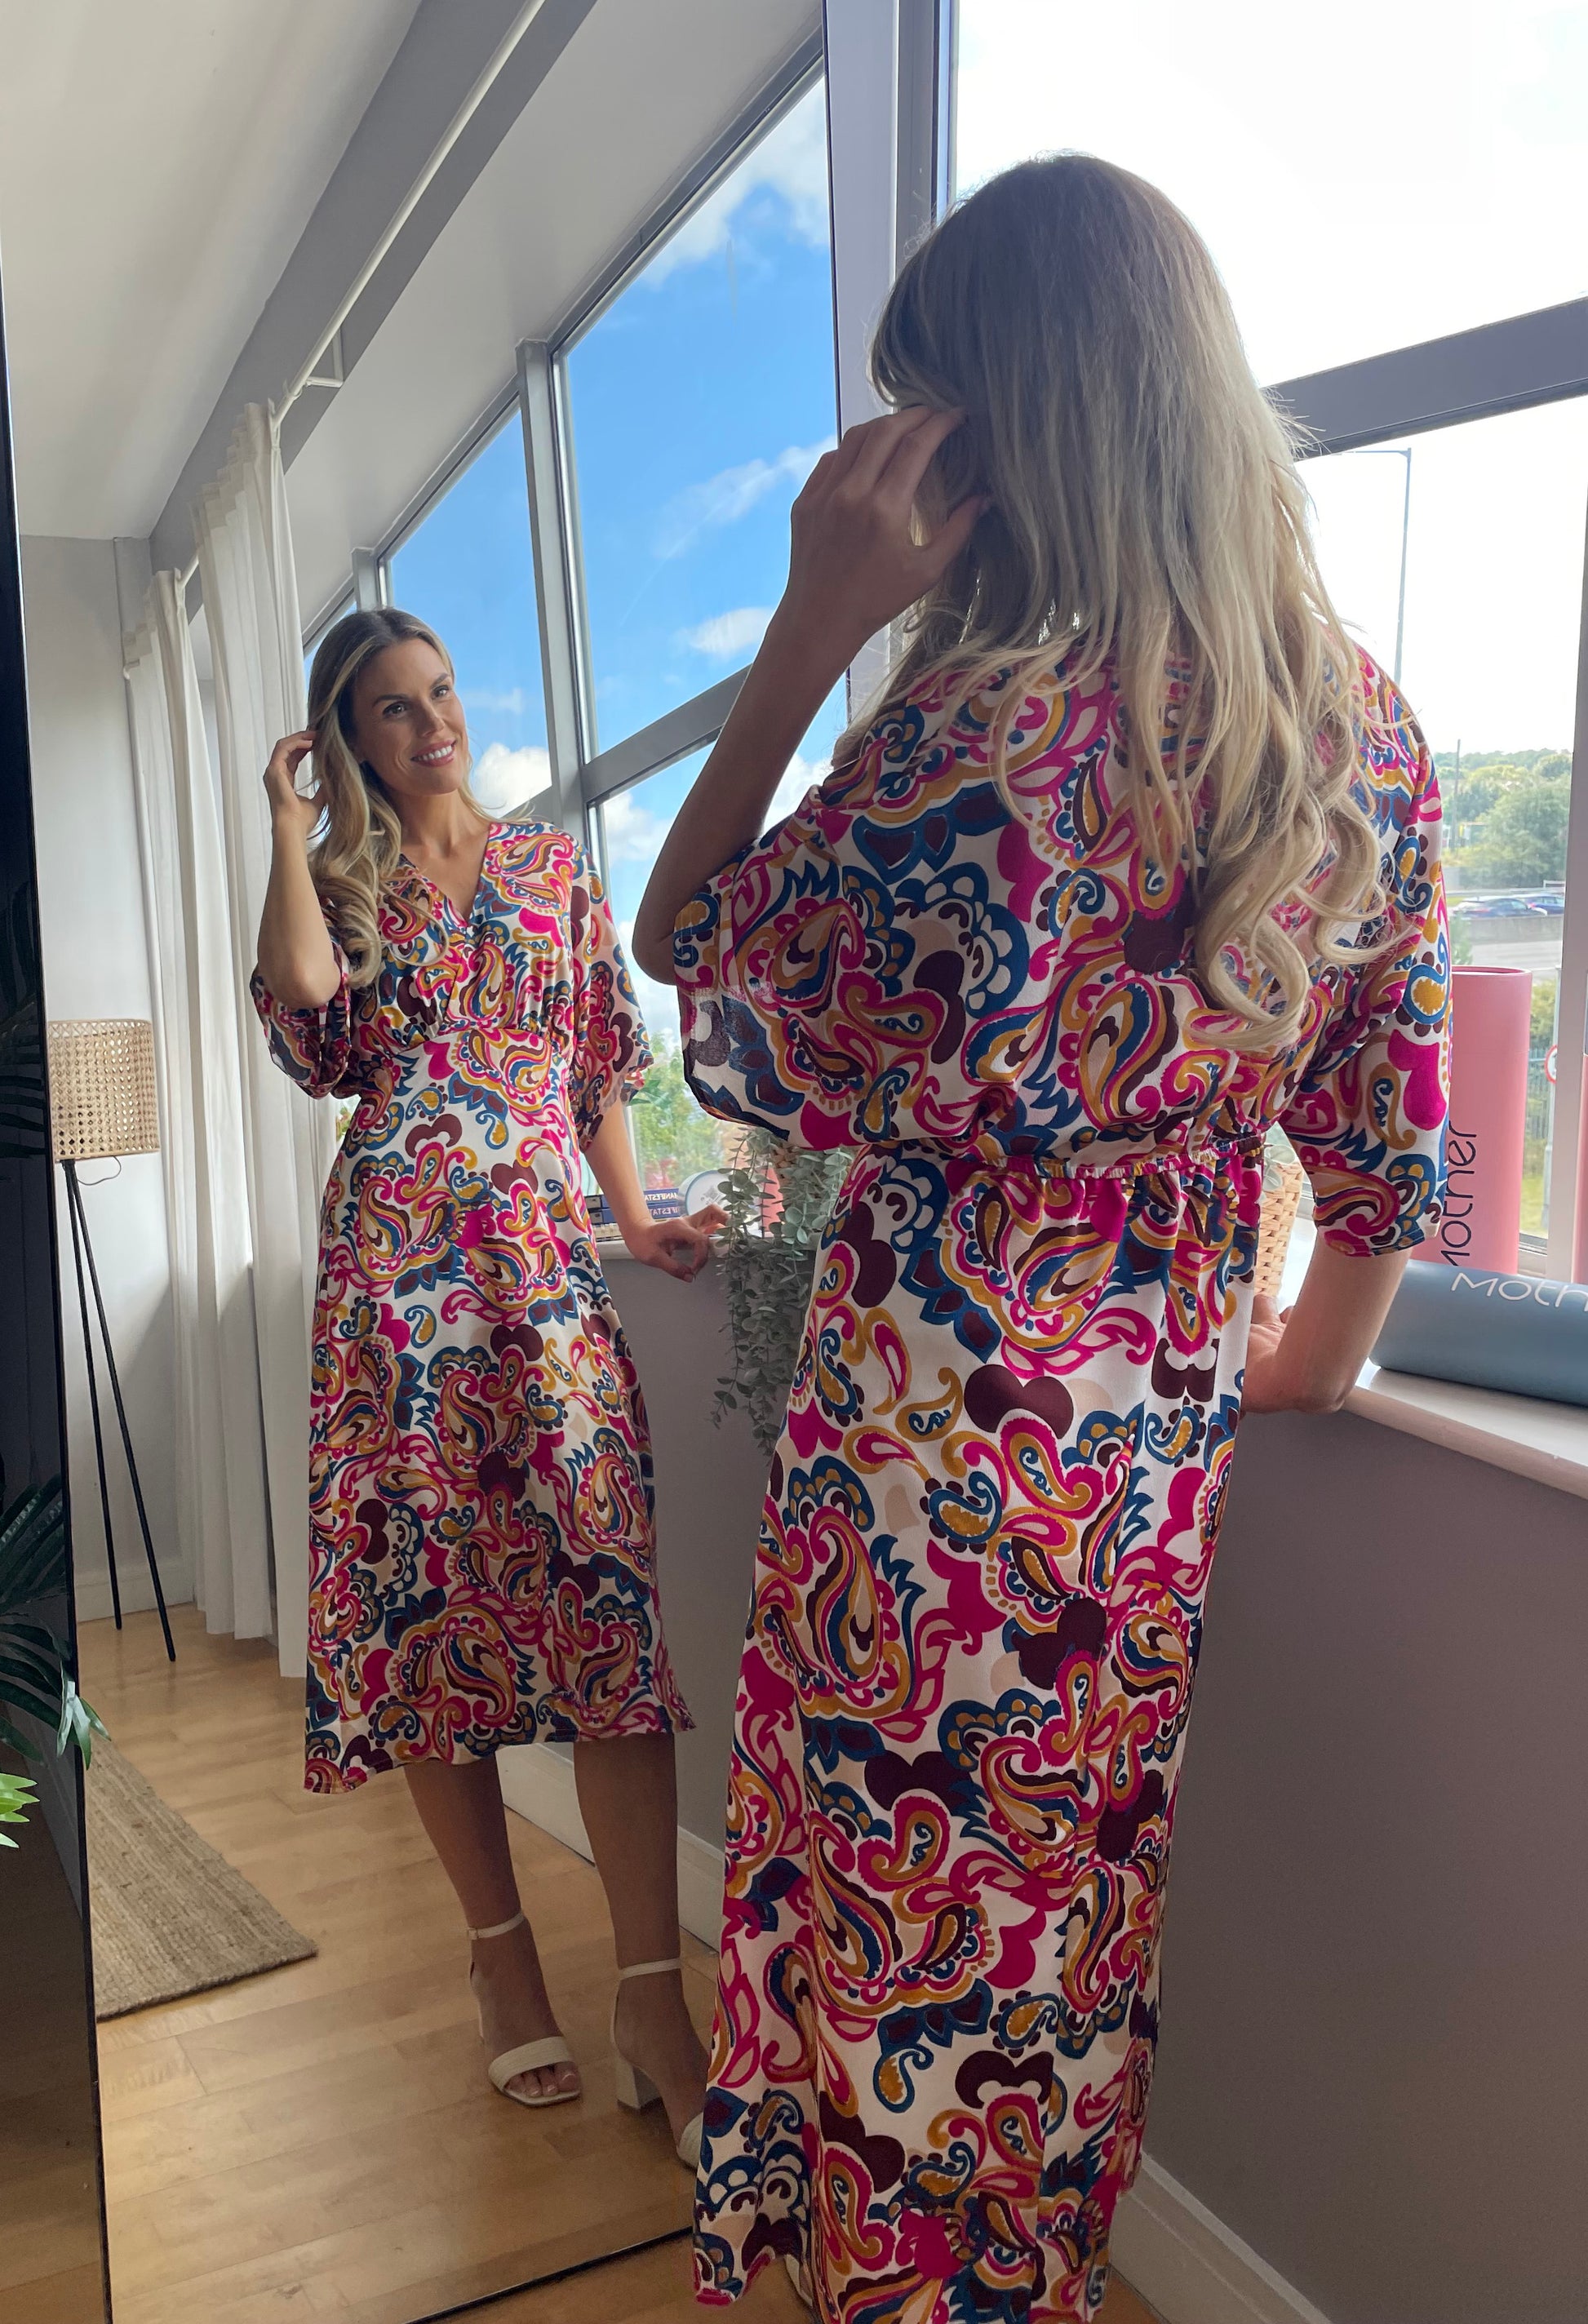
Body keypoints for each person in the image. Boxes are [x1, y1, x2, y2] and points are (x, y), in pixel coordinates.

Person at [633, 157, 1449, 2319]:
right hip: (1143, 1468)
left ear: (1008, 424)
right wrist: (1306, 1361)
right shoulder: (1354, 730)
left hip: (921, 1437)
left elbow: (690, 948)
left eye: (935, 410)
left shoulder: (973, 739)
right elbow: (1385, 1145)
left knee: (889, 1934)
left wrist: (810, 630)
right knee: (1051, 1940)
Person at [254, 606, 716, 2158]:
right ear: (350, 739)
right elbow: (305, 1007)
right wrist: (286, 826)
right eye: (392, 708)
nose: (433, 721)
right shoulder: (338, 886)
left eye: (441, 692)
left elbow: (598, 1072)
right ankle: (501, 1960)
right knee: (428, 1610)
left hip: (542, 1278)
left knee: (607, 1614)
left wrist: (635, 1224)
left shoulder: (549, 871)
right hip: (394, 1292)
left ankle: (650, 1998)